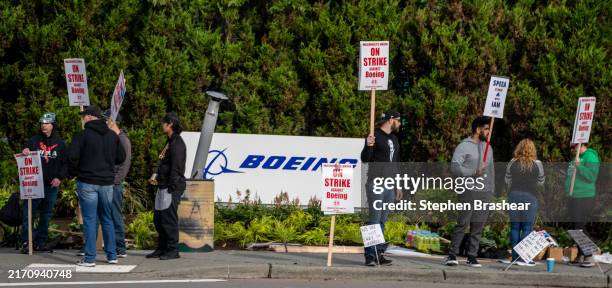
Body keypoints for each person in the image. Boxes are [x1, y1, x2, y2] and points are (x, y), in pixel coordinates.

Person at [69, 105, 126, 267]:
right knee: (106, 218)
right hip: (107, 183)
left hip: (87, 181)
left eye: (83, 116)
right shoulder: (112, 136)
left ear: (89, 117)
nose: (82, 118)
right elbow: (121, 157)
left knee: (89, 219)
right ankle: (112, 255)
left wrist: (75, 172)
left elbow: (72, 157)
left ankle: (90, 258)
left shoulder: (82, 136)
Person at [445, 116, 495, 268]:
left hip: (484, 192)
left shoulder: (488, 148)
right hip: (468, 189)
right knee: (463, 222)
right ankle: (452, 254)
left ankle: (472, 256)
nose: (488, 132)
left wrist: (491, 190)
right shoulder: (464, 146)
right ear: (477, 130)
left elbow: (491, 170)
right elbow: (455, 167)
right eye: (486, 129)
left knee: (478, 225)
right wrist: (473, 172)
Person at [20, 112, 68, 253]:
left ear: (53, 125)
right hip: (34, 184)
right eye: (42, 123)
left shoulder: (60, 143)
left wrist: (59, 177)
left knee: (46, 215)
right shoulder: (33, 141)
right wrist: (24, 151)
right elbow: (24, 157)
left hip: (51, 186)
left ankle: (40, 242)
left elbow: (66, 164)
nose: (43, 126)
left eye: (46, 123)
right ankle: (26, 242)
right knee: (28, 213)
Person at [360, 109, 402, 266]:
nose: (399, 123)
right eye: (398, 120)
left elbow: (396, 163)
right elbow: (365, 159)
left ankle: (378, 254)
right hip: (376, 183)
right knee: (374, 220)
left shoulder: (395, 139)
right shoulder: (374, 135)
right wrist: (368, 145)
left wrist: (398, 185)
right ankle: (370, 256)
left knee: (382, 221)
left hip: (390, 186)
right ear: (391, 120)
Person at [146, 112, 186, 260]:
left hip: (171, 187)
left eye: (164, 123)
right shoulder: (169, 141)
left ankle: (173, 250)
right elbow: (164, 163)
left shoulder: (177, 143)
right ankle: (162, 248)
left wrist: (171, 187)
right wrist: (156, 176)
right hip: (162, 186)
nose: (162, 125)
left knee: (169, 219)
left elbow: (177, 168)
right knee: (159, 219)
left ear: (170, 124)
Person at [504, 139, 545, 266]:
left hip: (514, 195)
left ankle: (515, 257)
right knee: (527, 227)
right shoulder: (537, 164)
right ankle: (524, 256)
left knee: (515, 227)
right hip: (530, 196)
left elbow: (507, 180)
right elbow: (541, 182)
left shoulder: (512, 162)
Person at [565, 143, 600, 268]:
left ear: (581, 145)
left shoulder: (590, 156)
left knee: (579, 225)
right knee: (574, 226)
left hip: (584, 196)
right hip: (573, 197)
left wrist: (580, 166)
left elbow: (592, 176)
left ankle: (589, 254)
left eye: (574, 147)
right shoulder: (575, 159)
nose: (572, 150)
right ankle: (581, 254)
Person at [105, 110, 132, 258]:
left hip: (114, 184)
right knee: (107, 215)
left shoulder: (122, 140)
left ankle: (120, 248)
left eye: (106, 120)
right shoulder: (112, 138)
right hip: (108, 183)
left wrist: (115, 181)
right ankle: (113, 246)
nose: (104, 123)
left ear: (112, 121)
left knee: (115, 215)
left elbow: (124, 165)